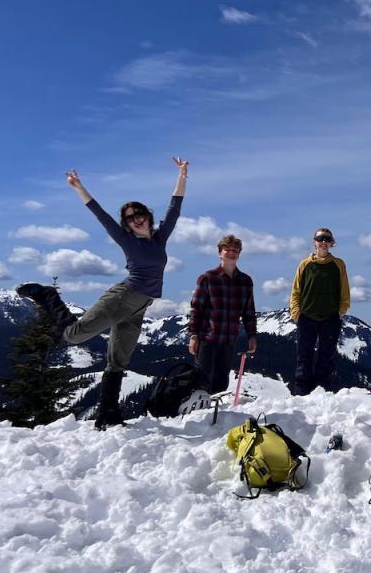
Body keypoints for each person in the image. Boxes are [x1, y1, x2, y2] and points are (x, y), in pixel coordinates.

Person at [16, 157, 188, 430]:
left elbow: (175, 208)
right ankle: (48, 296)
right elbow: (101, 215)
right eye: (131, 218)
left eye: (140, 213)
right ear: (127, 225)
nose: (137, 219)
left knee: (119, 360)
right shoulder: (126, 240)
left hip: (139, 307)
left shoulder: (159, 238)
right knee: (74, 336)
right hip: (122, 297)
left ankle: (108, 413)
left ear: (147, 216)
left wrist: (182, 174)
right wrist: (78, 187)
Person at [188, 234, 258, 394]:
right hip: (207, 338)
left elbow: (249, 311)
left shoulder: (246, 281)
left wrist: (252, 335)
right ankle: (198, 416)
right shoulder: (207, 278)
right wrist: (193, 336)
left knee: (221, 383)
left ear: (239, 254)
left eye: (236, 250)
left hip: (229, 340)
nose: (232, 253)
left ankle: (218, 417)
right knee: (201, 382)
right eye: (228, 249)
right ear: (220, 252)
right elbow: (196, 308)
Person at [289, 228, 350, 395]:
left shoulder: (338, 264)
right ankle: (301, 394)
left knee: (326, 358)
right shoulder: (305, 264)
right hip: (306, 317)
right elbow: (296, 291)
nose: (323, 241)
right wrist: (296, 313)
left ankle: (323, 393)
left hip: (330, 318)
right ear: (314, 242)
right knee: (304, 358)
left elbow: (344, 289)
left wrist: (342, 310)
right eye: (320, 238)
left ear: (331, 243)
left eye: (327, 239)